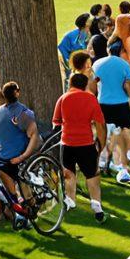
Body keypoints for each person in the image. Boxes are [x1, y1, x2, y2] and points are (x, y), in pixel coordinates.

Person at [0, 81, 41, 209]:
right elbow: (33, 136)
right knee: (8, 176)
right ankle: (21, 203)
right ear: (17, 93)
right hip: (11, 157)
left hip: (7, 158)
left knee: (9, 174)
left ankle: (23, 202)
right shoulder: (23, 113)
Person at [52, 72, 107, 221]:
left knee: (69, 174)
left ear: (70, 84)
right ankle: (97, 205)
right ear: (85, 85)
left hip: (67, 144)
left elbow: (56, 121)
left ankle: (71, 201)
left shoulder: (62, 99)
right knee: (92, 175)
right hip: (86, 144)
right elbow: (100, 124)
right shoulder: (91, 99)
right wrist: (101, 143)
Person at [93, 40, 130, 186]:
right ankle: (124, 166)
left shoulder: (97, 64)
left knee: (102, 137)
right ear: (121, 51)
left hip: (102, 105)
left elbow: (94, 84)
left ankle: (99, 164)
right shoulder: (124, 65)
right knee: (124, 132)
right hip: (120, 105)